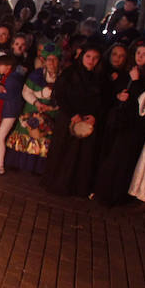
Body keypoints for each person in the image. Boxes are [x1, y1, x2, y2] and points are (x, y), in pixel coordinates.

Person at [42, 44, 103, 197]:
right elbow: (60, 95)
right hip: (68, 118)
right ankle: (57, 183)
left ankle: (75, 187)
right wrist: (72, 114)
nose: (91, 61)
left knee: (80, 156)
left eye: (95, 58)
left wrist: (95, 115)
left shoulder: (100, 78)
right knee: (63, 151)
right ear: (82, 56)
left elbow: (104, 101)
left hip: (87, 122)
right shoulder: (70, 73)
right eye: (88, 56)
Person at [93, 42, 145, 205]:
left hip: (134, 126)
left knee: (121, 160)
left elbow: (142, 104)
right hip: (118, 122)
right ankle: (102, 191)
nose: (140, 57)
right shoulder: (129, 72)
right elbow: (115, 92)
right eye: (139, 53)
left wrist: (136, 82)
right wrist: (118, 96)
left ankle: (113, 195)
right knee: (110, 156)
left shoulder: (140, 77)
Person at [5, 43, 61, 174]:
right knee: (26, 133)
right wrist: (36, 103)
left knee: (43, 136)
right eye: (49, 59)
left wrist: (52, 107)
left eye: (55, 59)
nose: (52, 63)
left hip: (50, 112)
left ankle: (38, 167)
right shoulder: (36, 75)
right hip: (33, 107)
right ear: (44, 61)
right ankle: (17, 162)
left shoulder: (63, 77)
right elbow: (26, 92)